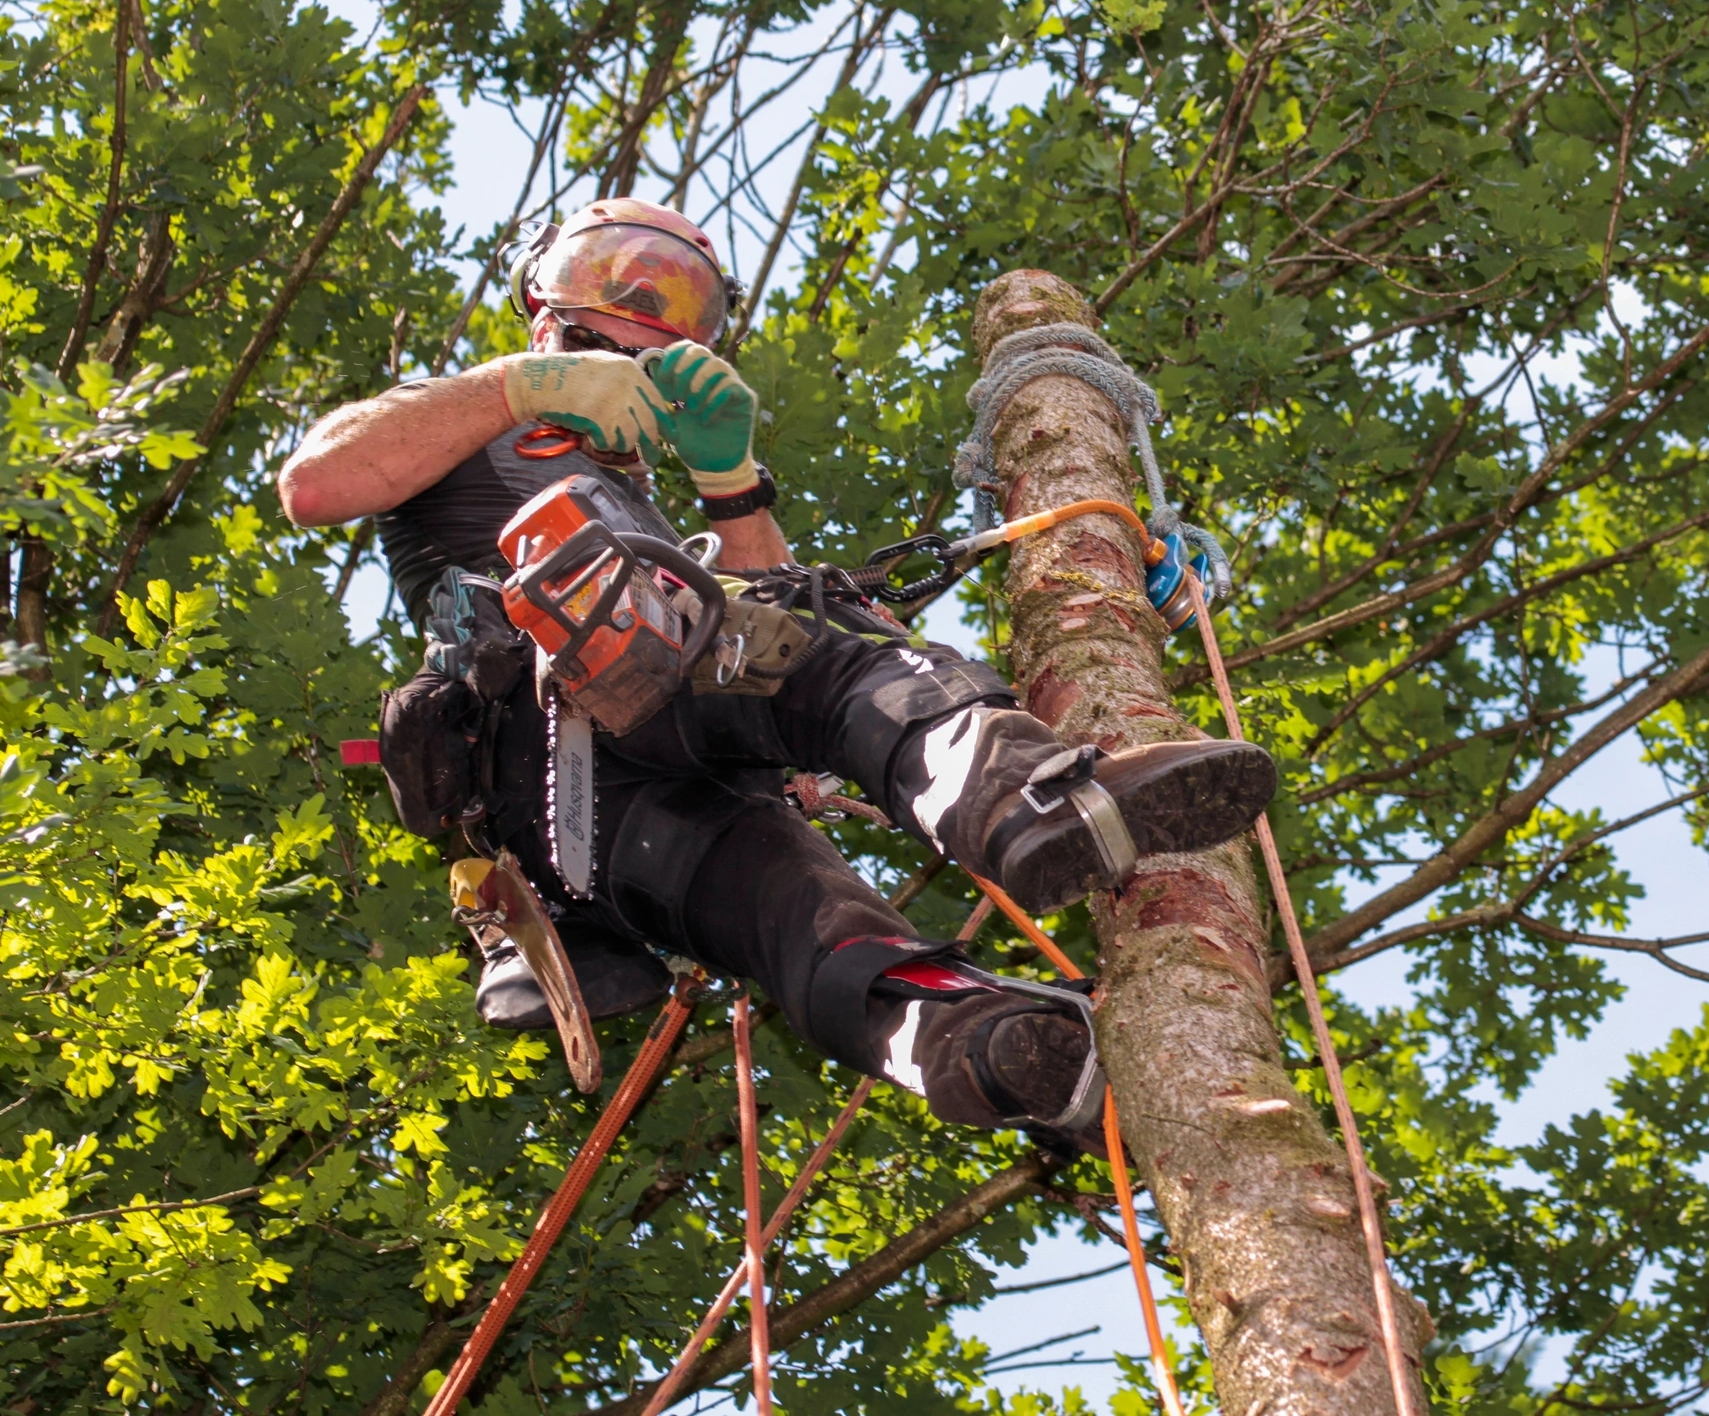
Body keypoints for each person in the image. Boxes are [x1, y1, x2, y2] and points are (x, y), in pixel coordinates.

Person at [278, 199, 1275, 1153]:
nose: (637, 317)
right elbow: (317, 481)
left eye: (673, 298)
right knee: (835, 656)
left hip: (617, 805)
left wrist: (730, 484)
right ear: (545, 300)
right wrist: (519, 386)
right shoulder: (457, 417)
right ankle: (1025, 800)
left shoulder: (637, 501)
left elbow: (760, 592)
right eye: (616, 278)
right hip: (552, 705)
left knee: (799, 904)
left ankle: (979, 1048)